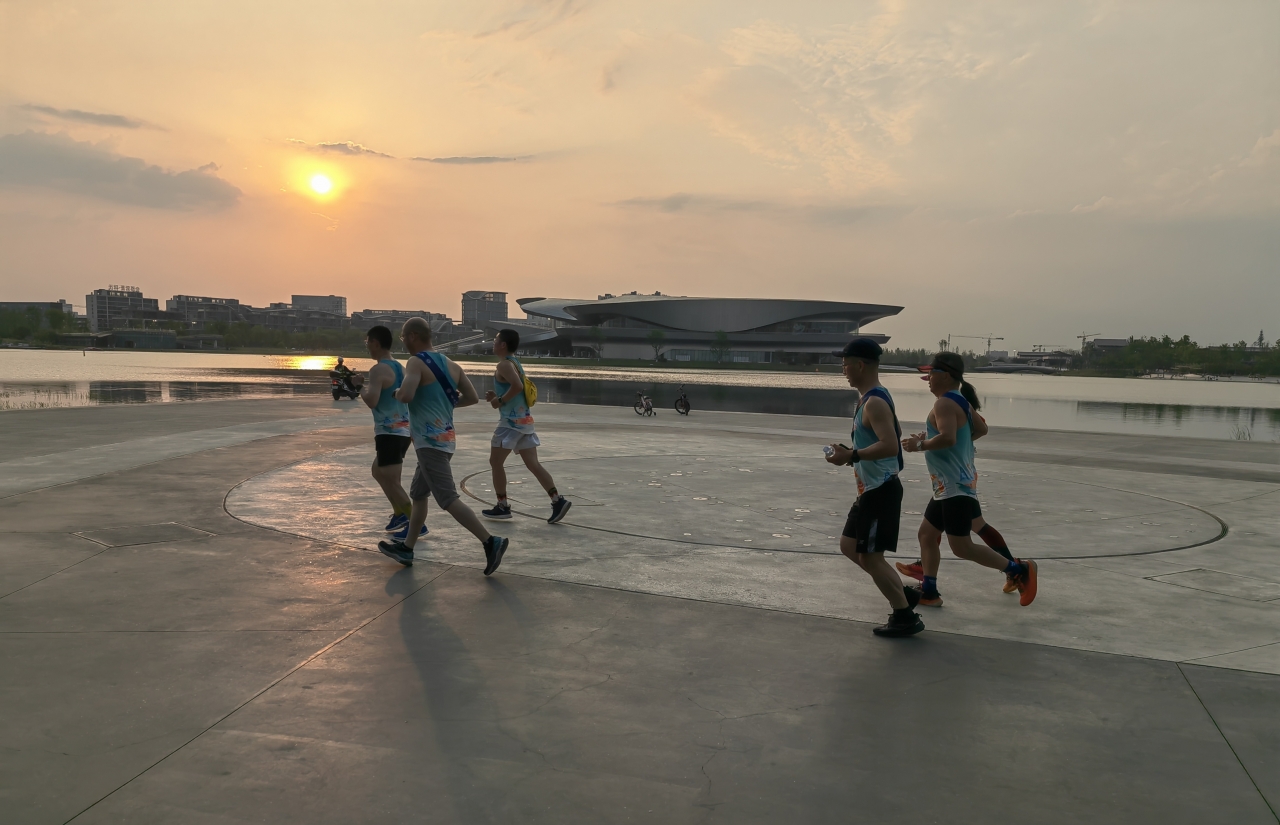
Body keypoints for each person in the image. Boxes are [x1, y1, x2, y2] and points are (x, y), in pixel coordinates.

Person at [901, 352, 1038, 606]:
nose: (928, 379)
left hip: (953, 486)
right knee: (927, 535)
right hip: (950, 485)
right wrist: (936, 441)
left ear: (946, 375)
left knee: (962, 547)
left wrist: (920, 445)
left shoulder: (943, 404)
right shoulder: (961, 401)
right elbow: (980, 429)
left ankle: (1019, 570)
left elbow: (948, 437)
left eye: (931, 374)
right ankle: (930, 592)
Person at [377, 317, 510, 575]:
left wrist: (396, 393)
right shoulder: (452, 365)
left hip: (429, 443)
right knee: (418, 494)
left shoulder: (415, 362)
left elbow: (406, 395)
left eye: (404, 337)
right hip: (446, 440)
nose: (403, 342)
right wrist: (442, 403)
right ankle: (407, 548)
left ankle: (490, 541)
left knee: (447, 498)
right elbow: (471, 397)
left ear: (413, 336)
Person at [825, 338, 924, 638]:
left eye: (845, 364)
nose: (843, 370)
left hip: (881, 490)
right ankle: (902, 594)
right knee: (849, 546)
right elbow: (893, 432)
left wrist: (853, 455)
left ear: (860, 365)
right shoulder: (870, 399)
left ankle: (904, 616)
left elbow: (891, 445)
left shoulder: (875, 402)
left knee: (871, 557)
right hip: (869, 489)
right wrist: (850, 454)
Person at [481, 329, 572, 524]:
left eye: (495, 340)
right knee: (533, 464)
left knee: (495, 462)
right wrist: (497, 397)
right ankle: (557, 500)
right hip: (525, 423)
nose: (493, 343)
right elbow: (514, 388)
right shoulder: (514, 362)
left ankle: (502, 506)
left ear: (503, 345)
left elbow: (518, 387)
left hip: (510, 424)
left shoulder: (504, 364)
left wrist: (499, 401)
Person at [355, 325, 419, 541]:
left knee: (391, 481)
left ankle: (416, 523)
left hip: (389, 432)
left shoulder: (378, 370)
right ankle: (400, 514)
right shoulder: (401, 368)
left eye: (367, 342)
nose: (367, 347)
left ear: (375, 343)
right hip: (403, 431)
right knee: (378, 471)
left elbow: (372, 401)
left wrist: (359, 386)